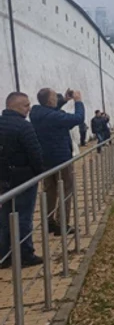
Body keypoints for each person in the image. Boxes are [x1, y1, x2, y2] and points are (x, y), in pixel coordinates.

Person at [30, 88, 84, 237]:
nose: (57, 98)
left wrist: (64, 101)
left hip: (45, 160)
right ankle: (62, 224)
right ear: (50, 101)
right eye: (55, 97)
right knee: (66, 189)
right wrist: (78, 101)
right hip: (61, 159)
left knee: (50, 191)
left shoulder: (36, 113)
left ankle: (49, 222)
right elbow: (78, 118)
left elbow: (50, 112)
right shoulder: (55, 117)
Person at [0, 92, 45, 267]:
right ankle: (25, 254)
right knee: (23, 218)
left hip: (3, 180)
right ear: (15, 106)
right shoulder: (23, 126)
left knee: (4, 218)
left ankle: (4, 255)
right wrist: (39, 173)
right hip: (23, 179)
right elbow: (35, 153)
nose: (29, 108)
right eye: (26, 105)